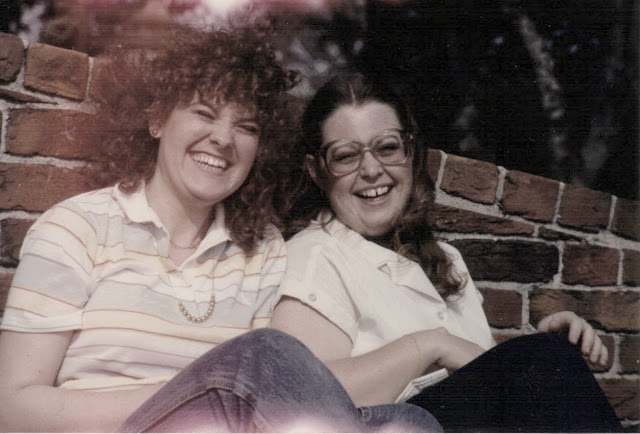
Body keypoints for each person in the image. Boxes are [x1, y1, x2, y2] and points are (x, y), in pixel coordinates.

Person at [0, 28, 442, 432]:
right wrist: (198, 390)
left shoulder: (261, 251)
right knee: (263, 358)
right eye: (204, 113)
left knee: (408, 420)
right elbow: (11, 408)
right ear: (158, 119)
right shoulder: (78, 227)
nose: (224, 139)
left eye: (246, 127)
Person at [271, 70, 623, 432]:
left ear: (410, 153)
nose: (372, 169)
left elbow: (478, 387)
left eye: (387, 148)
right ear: (316, 171)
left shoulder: (446, 259)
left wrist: (537, 349)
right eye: (346, 156)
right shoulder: (314, 256)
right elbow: (304, 400)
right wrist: (430, 346)